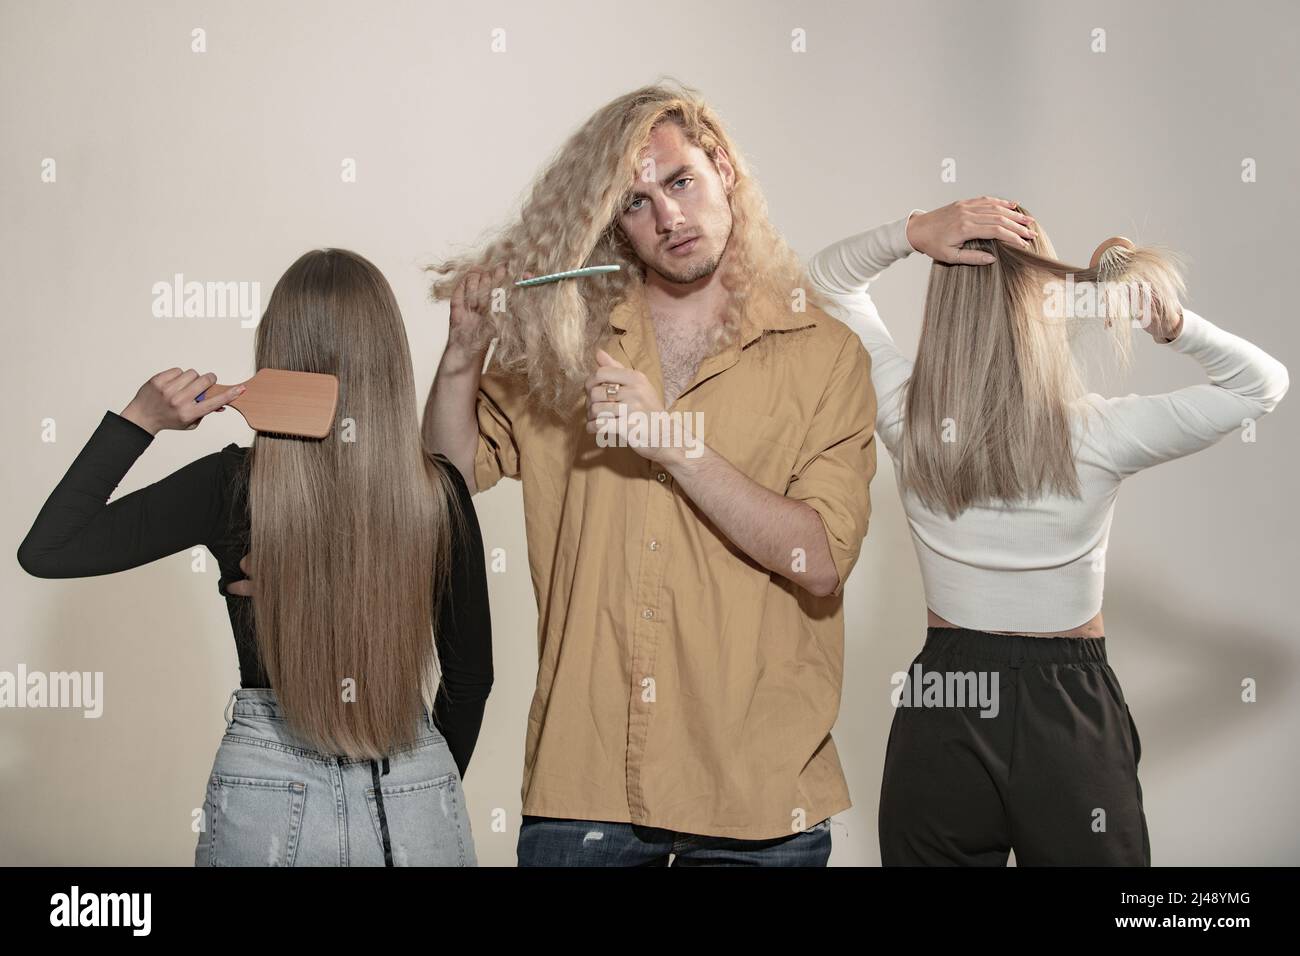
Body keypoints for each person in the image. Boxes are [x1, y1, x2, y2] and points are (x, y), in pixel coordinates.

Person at [422, 80, 877, 866]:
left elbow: (820, 560)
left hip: (758, 799)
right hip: (585, 785)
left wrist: (672, 441)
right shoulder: (566, 345)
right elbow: (443, 481)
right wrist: (462, 355)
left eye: (680, 182)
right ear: (612, 224)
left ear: (724, 168)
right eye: (635, 203)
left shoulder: (825, 354)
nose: (667, 217)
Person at [806, 197, 1290, 865]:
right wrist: (1173, 325)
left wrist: (916, 233)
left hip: (943, 701)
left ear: (944, 300)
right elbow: (1261, 385)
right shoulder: (1099, 433)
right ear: (1044, 304)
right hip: (1069, 710)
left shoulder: (906, 415)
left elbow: (828, 281)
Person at [18, 248, 493, 867]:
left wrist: (141, 418)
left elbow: (50, 549)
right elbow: (470, 680)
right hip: (411, 789)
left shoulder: (231, 486)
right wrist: (420, 791)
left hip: (271, 792)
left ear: (275, 348)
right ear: (390, 358)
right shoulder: (440, 493)